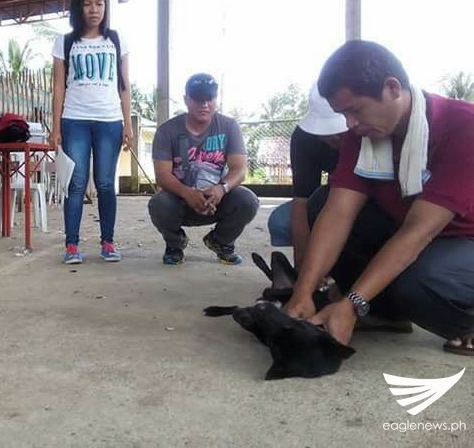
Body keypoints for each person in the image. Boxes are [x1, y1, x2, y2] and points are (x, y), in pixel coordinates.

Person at [285, 40, 474, 356]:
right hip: (418, 232)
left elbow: (418, 232)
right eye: (343, 114)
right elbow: (338, 212)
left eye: (355, 110)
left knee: (420, 280)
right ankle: (386, 314)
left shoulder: (463, 127)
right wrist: (302, 291)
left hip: (461, 241)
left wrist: (352, 303)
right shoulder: (363, 134)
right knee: (321, 203)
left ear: (392, 88)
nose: (349, 124)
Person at [48, 0, 133, 264]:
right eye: (87, 4)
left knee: (106, 183)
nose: (94, 9)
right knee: (76, 184)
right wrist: (56, 127)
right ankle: (72, 245)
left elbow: (124, 85)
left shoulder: (117, 40)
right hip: (75, 121)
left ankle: (108, 242)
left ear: (105, 8)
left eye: (99, 4)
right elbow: (58, 88)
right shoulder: (64, 42)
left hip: (110, 122)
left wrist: (128, 125)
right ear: (78, 7)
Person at [148, 73, 259, 265]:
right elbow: (162, 176)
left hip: (216, 200)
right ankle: (175, 243)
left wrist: (221, 188)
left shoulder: (229, 126)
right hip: (180, 201)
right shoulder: (167, 130)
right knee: (159, 203)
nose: (204, 104)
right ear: (186, 99)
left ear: (216, 99)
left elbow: (239, 169)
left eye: (210, 98)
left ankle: (220, 241)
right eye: (198, 99)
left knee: (248, 200)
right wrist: (187, 193)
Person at [268, 84, 347, 268]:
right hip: (334, 195)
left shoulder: (369, 130)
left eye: (339, 133)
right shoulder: (304, 137)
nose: (334, 139)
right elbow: (301, 202)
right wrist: (302, 268)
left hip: (368, 200)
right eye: (326, 133)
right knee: (282, 221)